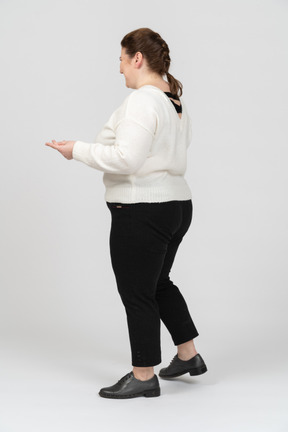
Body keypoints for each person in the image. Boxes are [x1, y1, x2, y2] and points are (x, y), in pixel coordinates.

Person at [45, 27, 207, 399]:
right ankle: (188, 355)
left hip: (143, 209)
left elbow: (126, 158)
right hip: (177, 206)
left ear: (138, 58)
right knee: (157, 283)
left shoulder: (143, 100)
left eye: (121, 59)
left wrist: (77, 150)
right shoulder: (173, 100)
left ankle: (144, 374)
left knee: (137, 292)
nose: (119, 69)